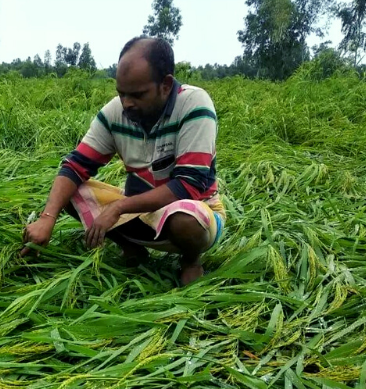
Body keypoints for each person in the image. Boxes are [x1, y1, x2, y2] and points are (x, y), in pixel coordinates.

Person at [21, 36, 226, 285]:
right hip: (139, 211)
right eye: (121, 93)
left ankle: (190, 260)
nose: (127, 103)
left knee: (185, 220)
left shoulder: (194, 105)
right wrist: (47, 219)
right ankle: (132, 248)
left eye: (138, 95)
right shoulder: (116, 112)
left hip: (194, 212)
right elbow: (74, 166)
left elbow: (188, 186)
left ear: (165, 84)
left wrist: (118, 208)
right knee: (71, 191)